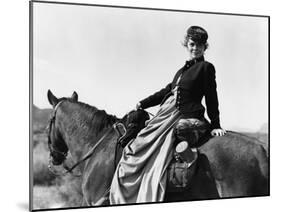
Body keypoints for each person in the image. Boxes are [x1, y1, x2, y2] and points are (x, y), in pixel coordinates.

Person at [109, 26, 226, 204]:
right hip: (164, 114)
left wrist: (216, 124)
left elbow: (212, 96)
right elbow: (167, 91)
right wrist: (144, 102)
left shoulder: (206, 68)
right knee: (139, 143)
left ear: (205, 47)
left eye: (200, 45)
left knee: (160, 147)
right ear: (187, 44)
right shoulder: (181, 71)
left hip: (183, 115)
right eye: (193, 44)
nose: (196, 48)